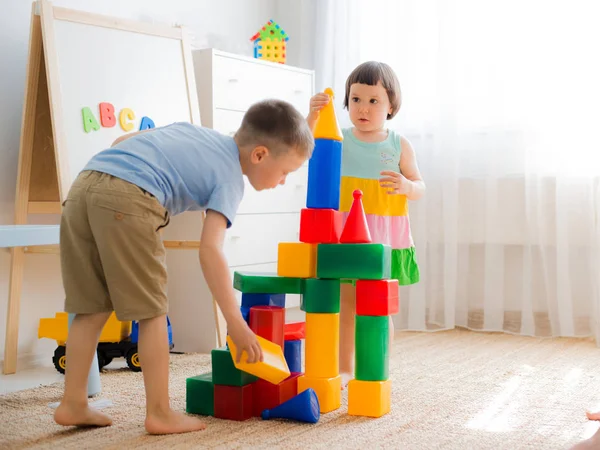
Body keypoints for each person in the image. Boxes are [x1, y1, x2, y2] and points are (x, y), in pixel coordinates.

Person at [53, 99, 314, 434]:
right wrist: (235, 323)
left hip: (83, 188)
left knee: (89, 309)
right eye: (285, 173)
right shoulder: (231, 179)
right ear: (259, 155)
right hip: (128, 202)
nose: (281, 182)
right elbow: (210, 251)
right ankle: (159, 412)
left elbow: (121, 142)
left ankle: (73, 402)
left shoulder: (195, 132)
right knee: (152, 312)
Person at [307, 61, 425, 387]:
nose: (363, 108)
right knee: (346, 303)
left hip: (382, 237)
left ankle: (375, 367)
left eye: (374, 101)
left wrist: (406, 186)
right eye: (356, 99)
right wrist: (313, 117)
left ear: (391, 106)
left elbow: (420, 186)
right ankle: (345, 367)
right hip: (345, 236)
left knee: (377, 307)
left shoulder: (399, 144)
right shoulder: (337, 138)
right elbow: (302, 149)